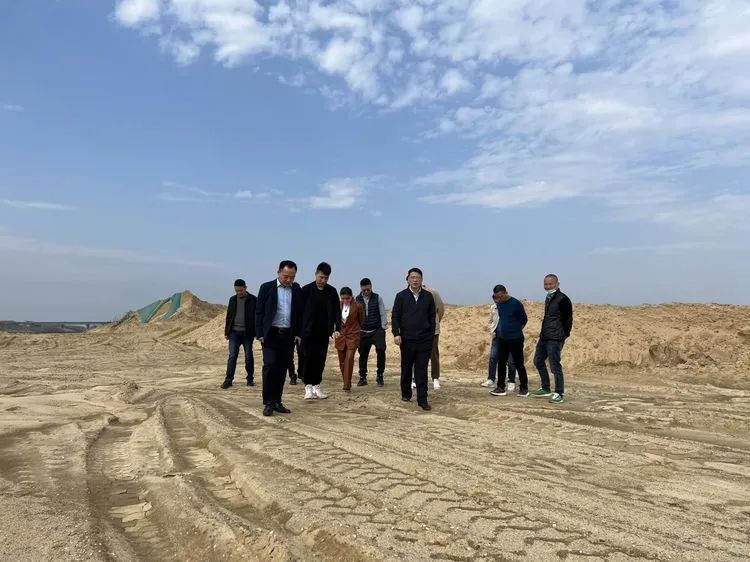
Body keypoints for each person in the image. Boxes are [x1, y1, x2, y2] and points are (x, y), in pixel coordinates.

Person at [255, 260, 304, 416]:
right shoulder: (266, 287)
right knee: (270, 366)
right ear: (278, 273)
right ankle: (268, 402)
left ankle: (277, 401)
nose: (289, 280)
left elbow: (300, 314)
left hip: (287, 335)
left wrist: (298, 333)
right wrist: (260, 333)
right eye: (286, 276)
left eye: (292, 277)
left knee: (282, 368)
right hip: (270, 334)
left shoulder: (296, 290)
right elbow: (259, 312)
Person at [392, 267, 436, 411]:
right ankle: (406, 393)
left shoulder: (428, 297)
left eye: (418, 277)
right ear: (408, 279)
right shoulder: (401, 296)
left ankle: (423, 400)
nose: (415, 280)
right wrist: (396, 333)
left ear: (422, 280)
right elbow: (395, 316)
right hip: (407, 339)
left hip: (424, 339)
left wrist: (430, 336)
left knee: (421, 370)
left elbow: (432, 317)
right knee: (406, 367)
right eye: (412, 277)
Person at [300, 262, 341, 400]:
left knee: (320, 359)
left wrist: (337, 329)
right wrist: (298, 332)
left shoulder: (332, 291)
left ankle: (317, 386)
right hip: (307, 332)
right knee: (308, 358)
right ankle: (308, 387)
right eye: (321, 277)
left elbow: (337, 312)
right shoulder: (306, 290)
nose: (323, 280)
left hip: (323, 332)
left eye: (326, 278)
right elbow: (299, 312)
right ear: (316, 274)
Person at [531, 274, 573, 404]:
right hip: (545, 336)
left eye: (550, 284)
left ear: (557, 284)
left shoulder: (563, 299)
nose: (548, 286)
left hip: (555, 338)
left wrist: (563, 335)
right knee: (538, 360)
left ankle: (559, 392)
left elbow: (568, 319)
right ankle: (545, 387)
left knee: (555, 366)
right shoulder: (548, 298)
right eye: (546, 284)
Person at [489, 285, 529, 397]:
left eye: (501, 296)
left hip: (515, 338)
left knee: (518, 363)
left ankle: (524, 388)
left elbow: (524, 320)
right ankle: (500, 387)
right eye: (497, 297)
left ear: (506, 292)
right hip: (502, 338)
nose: (499, 299)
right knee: (501, 362)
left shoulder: (516, 304)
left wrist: (515, 330)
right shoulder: (499, 304)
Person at [221, 279, 257, 389]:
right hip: (234, 333)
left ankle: (250, 379)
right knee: (232, 356)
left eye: (241, 290)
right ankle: (228, 380)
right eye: (236, 291)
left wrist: (257, 332)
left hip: (247, 333)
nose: (239, 293)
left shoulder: (253, 300)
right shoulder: (232, 299)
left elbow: (257, 317)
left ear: (245, 288)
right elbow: (229, 316)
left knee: (248, 357)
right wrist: (227, 332)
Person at [482, 285, 517, 389]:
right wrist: (492, 330)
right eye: (496, 298)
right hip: (497, 336)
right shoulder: (493, 308)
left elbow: (521, 320)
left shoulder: (512, 306)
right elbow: (491, 320)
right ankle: (491, 379)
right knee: (493, 358)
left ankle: (511, 381)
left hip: (510, 337)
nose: (498, 300)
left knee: (510, 360)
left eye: (499, 297)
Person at [355, 278, 387, 387]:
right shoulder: (357, 299)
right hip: (363, 331)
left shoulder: (378, 298)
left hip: (377, 330)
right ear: (361, 288)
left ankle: (380, 375)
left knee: (381, 350)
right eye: (364, 290)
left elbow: (382, 313)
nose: (366, 292)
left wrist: (383, 327)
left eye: (368, 290)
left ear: (371, 287)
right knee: (363, 354)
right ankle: (363, 377)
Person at [335, 287, 364, 391]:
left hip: (353, 336)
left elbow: (361, 321)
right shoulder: (337, 305)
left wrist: (356, 331)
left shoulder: (358, 306)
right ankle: (346, 381)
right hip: (340, 337)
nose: (345, 300)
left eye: (347, 298)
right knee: (342, 362)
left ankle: (346, 385)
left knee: (349, 359)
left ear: (351, 297)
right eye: (343, 298)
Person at [422, 283, 445, 390]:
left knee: (434, 355)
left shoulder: (432, 292)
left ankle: (435, 378)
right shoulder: (407, 294)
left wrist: (436, 322)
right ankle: (415, 378)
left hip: (432, 330)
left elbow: (440, 309)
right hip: (416, 331)